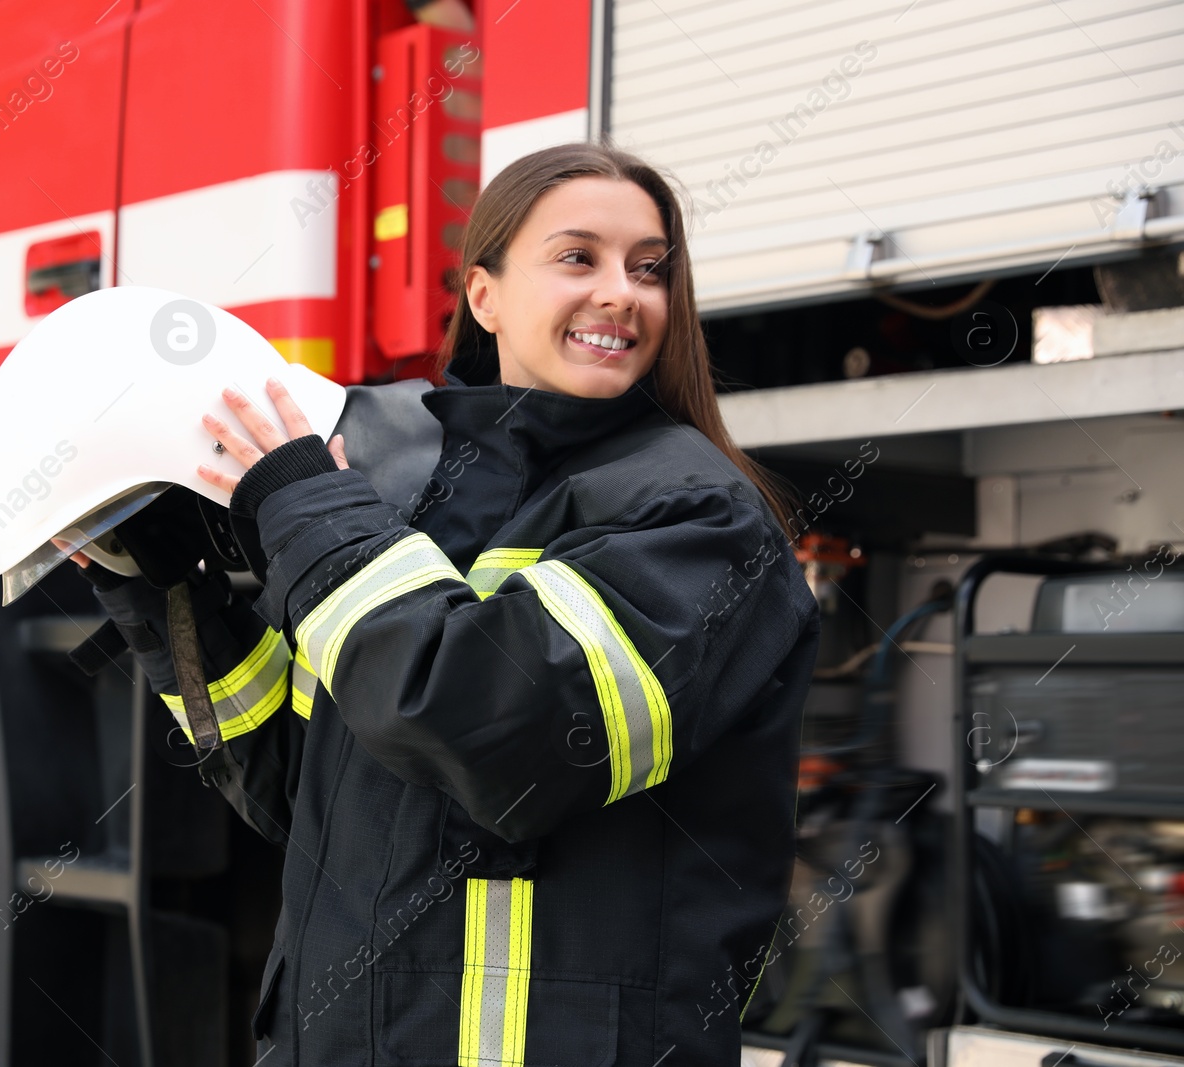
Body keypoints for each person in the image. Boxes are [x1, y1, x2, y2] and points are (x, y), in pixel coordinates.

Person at [79, 142, 820, 1065]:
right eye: (578, 257)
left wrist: (308, 511)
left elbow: (498, 739)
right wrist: (164, 589)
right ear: (485, 297)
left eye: (650, 268)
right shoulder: (416, 502)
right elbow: (302, 786)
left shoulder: (695, 514)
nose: (623, 293)